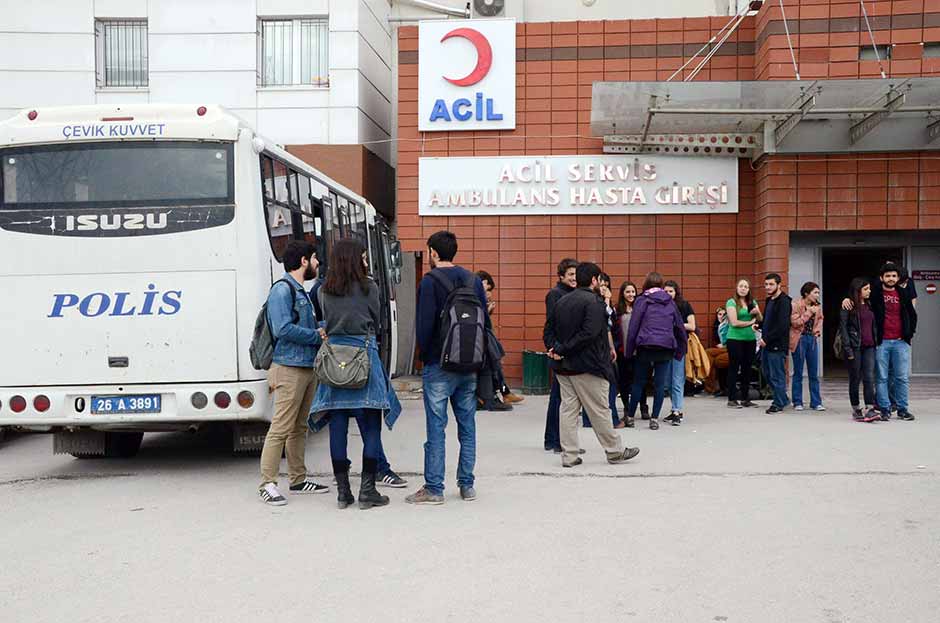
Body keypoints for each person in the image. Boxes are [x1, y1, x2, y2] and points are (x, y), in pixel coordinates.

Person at [308, 239, 402, 510]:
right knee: (371, 426)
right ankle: (368, 491)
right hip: (364, 354)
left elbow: (324, 319)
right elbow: (376, 318)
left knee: (337, 424)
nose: (364, 261)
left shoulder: (323, 290)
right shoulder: (369, 287)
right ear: (354, 259)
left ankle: (343, 492)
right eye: (362, 256)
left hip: (334, 359)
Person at [406, 231, 490, 505]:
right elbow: (485, 323)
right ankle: (467, 485)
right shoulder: (473, 280)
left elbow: (425, 326)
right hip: (469, 364)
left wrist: (426, 358)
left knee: (436, 428)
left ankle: (434, 488)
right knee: (468, 426)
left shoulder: (430, 281)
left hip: (439, 365)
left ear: (432, 252)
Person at [546, 262, 640, 467]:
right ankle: (614, 451)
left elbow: (549, 329)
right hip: (589, 366)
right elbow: (589, 334)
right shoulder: (595, 303)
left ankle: (569, 455)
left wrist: (555, 349)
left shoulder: (561, 301)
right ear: (593, 280)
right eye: (599, 279)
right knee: (600, 410)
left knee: (568, 411)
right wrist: (563, 349)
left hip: (564, 367)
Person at [258, 240, 328, 506]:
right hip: (288, 368)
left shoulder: (301, 291)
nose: (317, 263)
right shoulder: (282, 290)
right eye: (314, 258)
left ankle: (298, 479)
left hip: (305, 367)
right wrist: (316, 335)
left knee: (300, 426)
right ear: (303, 261)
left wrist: (322, 327)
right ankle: (268, 483)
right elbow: (282, 329)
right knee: (280, 427)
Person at [842, 262, 917, 421]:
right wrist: (846, 299)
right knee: (881, 377)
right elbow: (859, 292)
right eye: (888, 276)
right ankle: (884, 409)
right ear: (882, 278)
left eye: (894, 276)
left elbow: (912, 313)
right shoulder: (875, 293)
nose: (891, 278)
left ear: (898, 278)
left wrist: (909, 334)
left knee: (901, 377)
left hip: (901, 341)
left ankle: (903, 409)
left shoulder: (903, 293)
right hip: (881, 342)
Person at [624, 272, 689, 430]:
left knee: (638, 383)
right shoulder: (669, 302)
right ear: (661, 285)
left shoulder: (642, 300)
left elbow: (633, 327)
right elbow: (680, 327)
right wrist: (681, 349)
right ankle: (654, 419)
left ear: (646, 284)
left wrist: (629, 351)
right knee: (660, 385)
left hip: (645, 346)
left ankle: (630, 416)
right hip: (665, 347)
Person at [542, 258, 578, 453]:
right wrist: (555, 349)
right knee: (559, 398)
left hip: (568, 351)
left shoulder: (575, 293)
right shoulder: (555, 294)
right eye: (571, 274)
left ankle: (554, 440)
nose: (574, 278)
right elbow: (552, 325)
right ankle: (555, 441)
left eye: (576, 274)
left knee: (564, 399)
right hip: (560, 351)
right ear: (561, 276)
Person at [839, 278, 881, 422]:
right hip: (854, 347)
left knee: (869, 378)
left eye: (869, 288)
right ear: (858, 291)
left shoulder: (870, 304)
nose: (869, 291)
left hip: (869, 347)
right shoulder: (848, 306)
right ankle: (856, 409)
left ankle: (870, 409)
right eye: (866, 289)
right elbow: (843, 329)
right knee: (855, 378)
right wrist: (847, 349)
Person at [474, 270, 515, 412]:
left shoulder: (477, 298)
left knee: (494, 360)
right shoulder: (474, 298)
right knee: (492, 360)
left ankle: (502, 393)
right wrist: (487, 310)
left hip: (480, 339)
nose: (489, 293)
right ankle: (499, 394)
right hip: (479, 340)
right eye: (487, 289)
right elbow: (480, 321)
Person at [613, 281, 649, 428]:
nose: (631, 295)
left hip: (639, 350)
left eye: (633, 292)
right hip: (623, 351)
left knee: (640, 380)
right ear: (622, 293)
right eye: (628, 292)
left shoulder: (640, 308)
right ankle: (628, 408)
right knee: (624, 381)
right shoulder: (617, 310)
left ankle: (643, 406)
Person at [725, 279, 761, 409]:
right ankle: (732, 398)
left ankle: (746, 398)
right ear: (736, 287)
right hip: (734, 339)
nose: (743, 288)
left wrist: (757, 313)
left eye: (746, 286)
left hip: (750, 339)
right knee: (734, 367)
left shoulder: (752, 302)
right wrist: (750, 323)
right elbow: (734, 322)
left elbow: (760, 319)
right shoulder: (731, 302)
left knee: (747, 368)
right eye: (741, 286)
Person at [759, 273, 791, 414]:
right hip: (767, 344)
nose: (768, 287)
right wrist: (758, 325)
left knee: (776, 375)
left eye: (771, 284)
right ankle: (783, 398)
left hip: (777, 345)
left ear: (779, 285)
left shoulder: (784, 301)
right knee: (766, 372)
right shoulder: (769, 300)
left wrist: (767, 339)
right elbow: (767, 320)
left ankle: (778, 403)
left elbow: (782, 326)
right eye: (766, 284)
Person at [789, 281, 824, 412]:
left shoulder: (817, 306)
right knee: (798, 371)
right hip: (799, 338)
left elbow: (820, 318)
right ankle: (797, 401)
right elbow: (795, 322)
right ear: (806, 293)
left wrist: (817, 331)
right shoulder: (796, 305)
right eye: (815, 292)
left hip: (811, 339)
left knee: (813, 372)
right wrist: (808, 312)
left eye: (818, 292)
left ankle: (816, 402)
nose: (817, 295)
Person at [663, 280, 695, 425]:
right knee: (668, 382)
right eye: (666, 291)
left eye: (671, 291)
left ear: (676, 292)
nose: (668, 294)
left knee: (677, 379)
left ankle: (677, 410)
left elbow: (692, 325)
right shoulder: (660, 306)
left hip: (679, 346)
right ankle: (676, 409)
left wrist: (676, 323)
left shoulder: (684, 305)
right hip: (665, 346)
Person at [595, 272, 623, 429]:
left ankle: (592, 419)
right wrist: (606, 299)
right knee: (609, 384)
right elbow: (606, 324)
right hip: (601, 349)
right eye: (601, 284)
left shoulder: (609, 304)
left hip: (608, 347)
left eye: (606, 285)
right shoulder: (597, 302)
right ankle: (612, 419)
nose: (604, 288)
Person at [704, 307, 730, 396]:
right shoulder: (719, 326)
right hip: (723, 350)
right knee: (710, 356)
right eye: (719, 314)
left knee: (710, 354)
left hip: (730, 348)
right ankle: (711, 387)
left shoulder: (728, 324)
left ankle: (710, 388)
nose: (722, 316)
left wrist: (725, 344)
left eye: (724, 314)